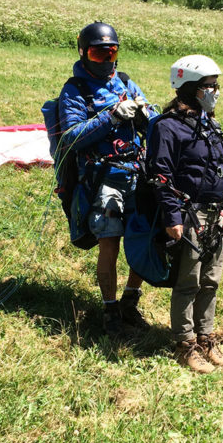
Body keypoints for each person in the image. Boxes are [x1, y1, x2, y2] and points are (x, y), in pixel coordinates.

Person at [58, 21, 156, 336]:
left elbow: (153, 120)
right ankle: (110, 310)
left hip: (136, 174)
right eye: (99, 54)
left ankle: (130, 300)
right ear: (84, 54)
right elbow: (71, 136)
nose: (107, 59)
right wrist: (110, 116)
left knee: (144, 237)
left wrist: (145, 115)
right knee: (110, 243)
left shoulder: (126, 82)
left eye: (111, 52)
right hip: (103, 178)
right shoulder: (75, 89)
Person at [146, 54, 223, 374]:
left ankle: (205, 337)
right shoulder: (167, 127)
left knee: (211, 280)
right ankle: (184, 344)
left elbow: (218, 169)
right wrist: (172, 216)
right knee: (189, 281)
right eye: (208, 87)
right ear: (188, 88)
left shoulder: (209, 123)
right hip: (188, 215)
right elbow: (160, 175)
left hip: (214, 214)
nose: (215, 92)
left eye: (216, 86)